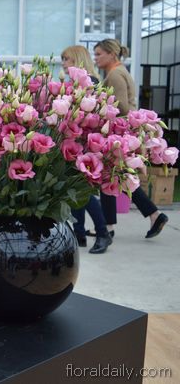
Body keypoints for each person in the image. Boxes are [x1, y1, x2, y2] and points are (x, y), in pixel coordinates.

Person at [93, 38, 168, 243]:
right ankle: (149, 216)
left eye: (99, 54)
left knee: (111, 177)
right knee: (116, 178)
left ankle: (114, 226)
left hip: (119, 133)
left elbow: (122, 107)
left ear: (111, 54)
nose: (96, 58)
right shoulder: (119, 71)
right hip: (123, 133)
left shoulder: (115, 74)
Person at [61, 45, 113, 253]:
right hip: (77, 140)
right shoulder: (78, 81)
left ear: (77, 59)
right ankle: (79, 234)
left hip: (85, 141)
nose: (63, 63)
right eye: (62, 59)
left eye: (67, 59)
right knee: (75, 188)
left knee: (82, 190)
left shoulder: (89, 81)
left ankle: (102, 232)